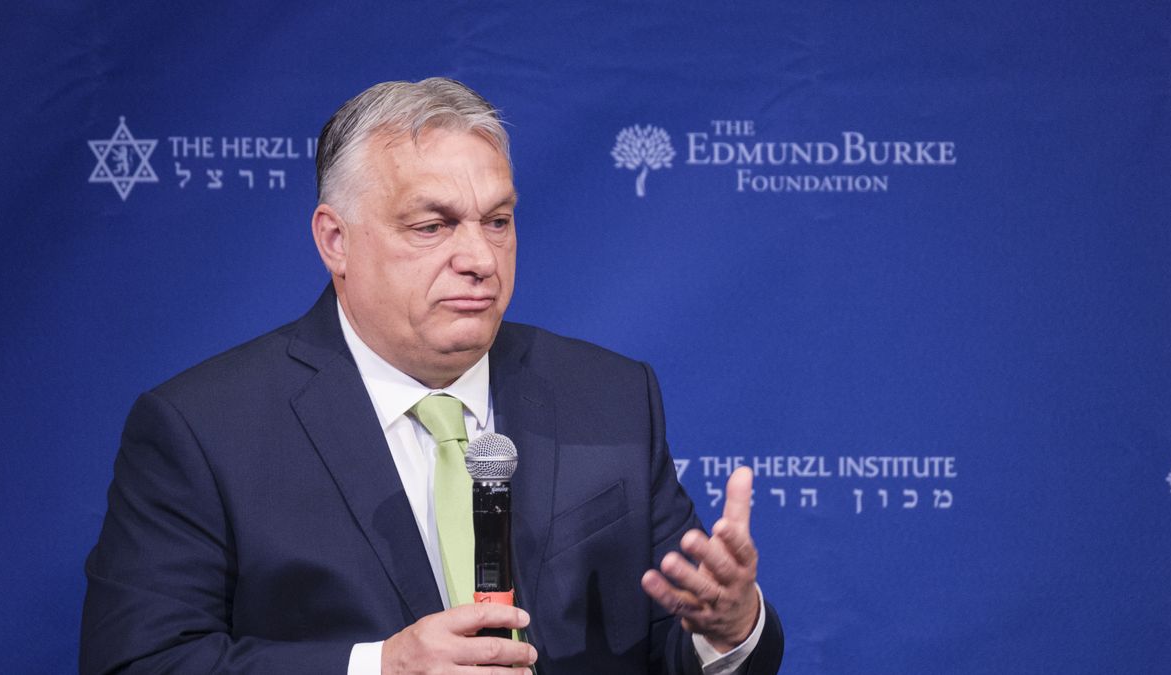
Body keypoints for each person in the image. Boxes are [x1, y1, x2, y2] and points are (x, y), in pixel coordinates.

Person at [81, 78, 784, 674]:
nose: (480, 256)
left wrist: (727, 626)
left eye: (498, 220)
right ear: (335, 239)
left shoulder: (611, 396)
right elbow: (139, 659)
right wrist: (378, 665)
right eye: (433, 226)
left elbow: (669, 642)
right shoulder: (204, 429)